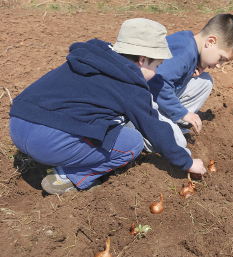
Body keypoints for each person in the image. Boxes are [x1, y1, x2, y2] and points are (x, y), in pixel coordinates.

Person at [8, 18, 206, 195]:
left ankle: (57, 155)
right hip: (47, 143)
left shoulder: (93, 57)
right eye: (157, 66)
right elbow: (155, 129)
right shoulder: (131, 86)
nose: (156, 72)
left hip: (18, 123)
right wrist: (187, 162)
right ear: (143, 60)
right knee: (133, 142)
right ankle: (70, 176)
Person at [147, 13, 233, 137]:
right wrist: (183, 113)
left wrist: (189, 72)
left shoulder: (187, 42)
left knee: (205, 81)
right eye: (221, 58)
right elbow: (157, 83)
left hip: (150, 95)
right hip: (141, 101)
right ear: (210, 42)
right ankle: (152, 129)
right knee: (179, 142)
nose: (219, 65)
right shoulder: (184, 55)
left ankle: (171, 121)